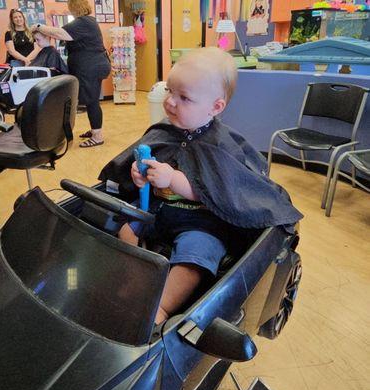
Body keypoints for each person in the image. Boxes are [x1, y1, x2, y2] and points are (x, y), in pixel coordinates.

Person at [99, 47, 303, 324]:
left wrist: (173, 179)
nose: (170, 102)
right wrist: (138, 175)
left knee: (197, 255)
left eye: (184, 98)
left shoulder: (222, 145)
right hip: (158, 209)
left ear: (215, 107)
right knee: (126, 228)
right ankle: (137, 281)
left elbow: (218, 191)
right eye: (170, 91)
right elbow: (143, 174)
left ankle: (162, 307)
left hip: (200, 221)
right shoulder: (164, 131)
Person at [31, 0, 111, 148]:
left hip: (91, 67)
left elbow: (60, 33)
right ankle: (94, 129)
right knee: (90, 100)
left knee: (92, 101)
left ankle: (97, 136)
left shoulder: (84, 22)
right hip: (92, 65)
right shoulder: (87, 22)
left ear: (74, 7)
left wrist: (39, 26)